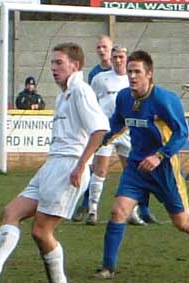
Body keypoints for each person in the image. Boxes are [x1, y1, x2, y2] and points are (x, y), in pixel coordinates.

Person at [0, 42, 110, 283]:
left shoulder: (80, 90)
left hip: (68, 167)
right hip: (51, 165)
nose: (53, 68)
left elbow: (99, 130)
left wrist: (80, 165)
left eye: (59, 63)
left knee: (41, 232)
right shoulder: (63, 94)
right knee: (11, 212)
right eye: (52, 63)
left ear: (75, 66)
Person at [95, 50, 189, 280]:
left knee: (182, 222)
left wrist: (160, 156)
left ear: (149, 74)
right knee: (118, 211)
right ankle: (108, 267)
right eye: (130, 71)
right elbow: (117, 124)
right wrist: (98, 140)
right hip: (136, 167)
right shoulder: (124, 97)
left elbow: (182, 132)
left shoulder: (164, 99)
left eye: (137, 72)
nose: (132, 76)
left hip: (164, 169)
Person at [85, 45, 159, 226]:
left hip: (128, 132)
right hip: (108, 130)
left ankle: (132, 212)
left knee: (132, 171)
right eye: (115, 57)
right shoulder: (100, 79)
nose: (118, 60)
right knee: (100, 170)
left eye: (122, 57)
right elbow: (92, 103)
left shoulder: (132, 80)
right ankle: (92, 209)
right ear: (111, 58)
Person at [73, 35, 113, 221]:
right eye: (98, 47)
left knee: (135, 168)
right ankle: (86, 206)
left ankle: (141, 210)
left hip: (126, 128)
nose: (101, 50)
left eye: (104, 46)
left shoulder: (124, 70)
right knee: (97, 167)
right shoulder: (95, 74)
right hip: (104, 128)